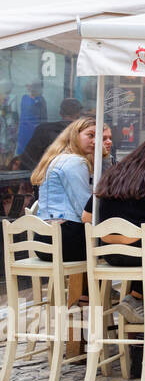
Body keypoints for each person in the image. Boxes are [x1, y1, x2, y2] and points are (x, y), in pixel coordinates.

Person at [80, 132, 145, 324]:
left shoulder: (113, 174)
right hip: (142, 253)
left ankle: (134, 298)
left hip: (110, 255)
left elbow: (86, 217)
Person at [30, 117, 96, 261]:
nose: (95, 141)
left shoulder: (58, 158)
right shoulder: (75, 161)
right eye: (90, 135)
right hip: (63, 240)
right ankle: (94, 284)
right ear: (74, 135)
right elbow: (85, 210)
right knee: (116, 247)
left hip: (43, 240)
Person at [20, 97, 83, 170]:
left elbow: (27, 159)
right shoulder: (85, 133)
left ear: (60, 113)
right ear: (79, 114)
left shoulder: (43, 130)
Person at [14, 82, 46, 159]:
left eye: (36, 87)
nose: (32, 89)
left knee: (34, 151)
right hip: (24, 130)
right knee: (22, 150)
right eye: (31, 87)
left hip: (36, 129)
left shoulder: (41, 100)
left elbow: (44, 117)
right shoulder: (25, 98)